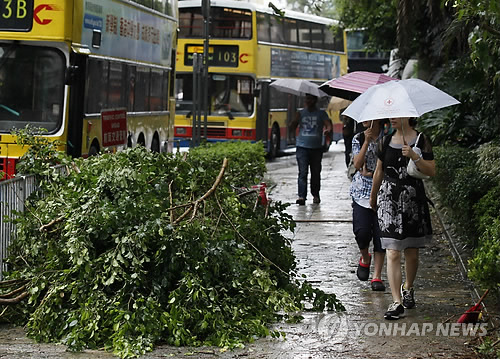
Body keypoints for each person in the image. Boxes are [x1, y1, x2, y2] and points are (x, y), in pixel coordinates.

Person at [369, 117, 435, 320]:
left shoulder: (421, 139)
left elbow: (432, 170)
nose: (392, 117)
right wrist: (373, 198)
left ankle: (408, 287)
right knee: (392, 252)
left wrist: (415, 156)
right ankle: (396, 301)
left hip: (412, 199)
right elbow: (379, 171)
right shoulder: (385, 141)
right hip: (388, 199)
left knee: (412, 252)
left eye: (397, 113)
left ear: (409, 115)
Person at [350, 119, 387, 291]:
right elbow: (357, 165)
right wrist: (366, 141)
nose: (364, 120)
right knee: (362, 232)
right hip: (361, 192)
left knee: (381, 237)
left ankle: (377, 276)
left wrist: (375, 174)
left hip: (383, 192)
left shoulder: (387, 138)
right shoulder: (358, 138)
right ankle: (365, 258)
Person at [290, 94, 332, 205]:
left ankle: (315, 194)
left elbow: (328, 125)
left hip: (316, 148)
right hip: (302, 148)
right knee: (302, 172)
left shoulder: (321, 114)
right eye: (306, 99)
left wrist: (327, 130)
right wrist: (294, 121)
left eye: (310, 99)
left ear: (315, 100)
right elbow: (292, 127)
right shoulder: (301, 113)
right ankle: (301, 196)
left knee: (315, 173)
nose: (307, 101)